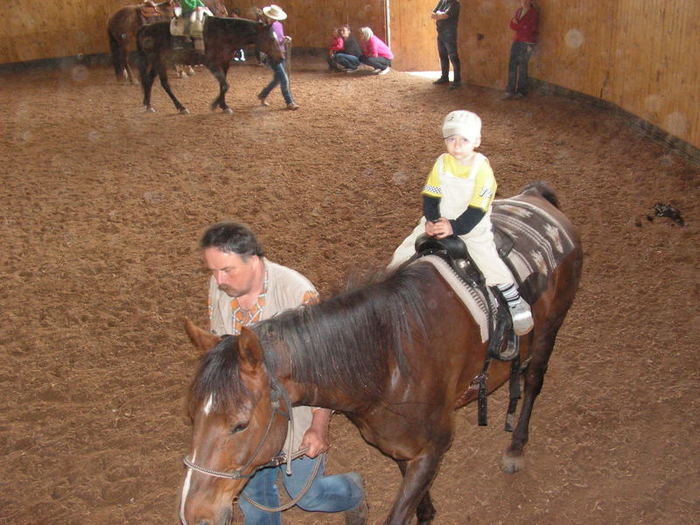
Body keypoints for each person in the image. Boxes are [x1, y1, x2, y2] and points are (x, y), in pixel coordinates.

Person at [200, 222, 368, 525]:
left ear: (253, 260)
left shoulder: (298, 295)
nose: (219, 280)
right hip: (248, 420)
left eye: (226, 270)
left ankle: (352, 491)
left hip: (296, 414)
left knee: (308, 495)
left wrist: (318, 426)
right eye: (213, 271)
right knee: (256, 504)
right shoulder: (220, 287)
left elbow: (324, 369)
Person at [387, 111, 534, 336]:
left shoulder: (482, 170)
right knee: (403, 252)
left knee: (487, 260)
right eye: (451, 139)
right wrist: (431, 220)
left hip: (470, 227)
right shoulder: (442, 163)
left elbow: (478, 208)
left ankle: (514, 300)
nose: (456, 146)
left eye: (464, 140)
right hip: (438, 219)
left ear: (477, 141)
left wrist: (454, 227)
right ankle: (387, 288)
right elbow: (431, 194)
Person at [257, 4, 299, 110]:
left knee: (277, 79)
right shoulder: (266, 28)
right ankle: (289, 102)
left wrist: (285, 39)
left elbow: (279, 39)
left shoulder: (278, 25)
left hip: (280, 53)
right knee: (284, 79)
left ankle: (263, 95)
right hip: (273, 55)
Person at [504, 0, 539, 99]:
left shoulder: (533, 13)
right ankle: (510, 91)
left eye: (527, 0)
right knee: (512, 65)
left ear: (531, 1)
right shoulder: (519, 11)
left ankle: (521, 92)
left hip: (527, 42)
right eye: (523, 0)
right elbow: (512, 25)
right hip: (517, 40)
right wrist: (520, 25)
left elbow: (529, 29)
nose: (525, 2)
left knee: (523, 66)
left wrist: (518, 24)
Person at [431, 0, 461, 89]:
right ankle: (444, 77)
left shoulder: (455, 4)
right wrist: (440, 15)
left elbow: (445, 15)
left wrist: (438, 15)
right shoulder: (442, 1)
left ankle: (457, 81)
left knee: (453, 57)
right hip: (441, 32)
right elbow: (433, 14)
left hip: (449, 33)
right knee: (443, 56)